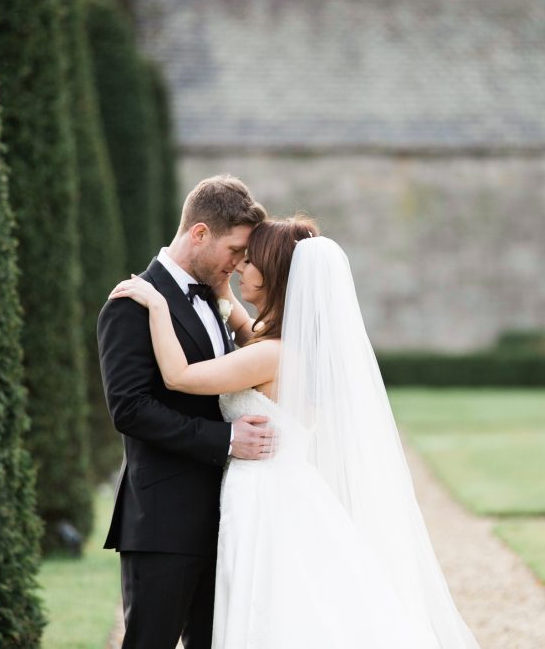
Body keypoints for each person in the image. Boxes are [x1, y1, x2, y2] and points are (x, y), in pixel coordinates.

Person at [109, 214, 481, 648]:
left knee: (265, 615)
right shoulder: (294, 349)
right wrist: (227, 300)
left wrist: (155, 304)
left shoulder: (270, 356)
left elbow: (178, 377)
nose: (239, 268)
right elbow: (252, 338)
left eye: (249, 262)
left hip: (262, 498)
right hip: (284, 490)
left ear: (274, 277)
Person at [96, 174, 272, 649]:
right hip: (164, 520)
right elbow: (130, 409)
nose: (238, 266)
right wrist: (228, 440)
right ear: (199, 234)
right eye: (235, 250)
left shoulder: (215, 299)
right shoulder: (131, 304)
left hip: (227, 515)